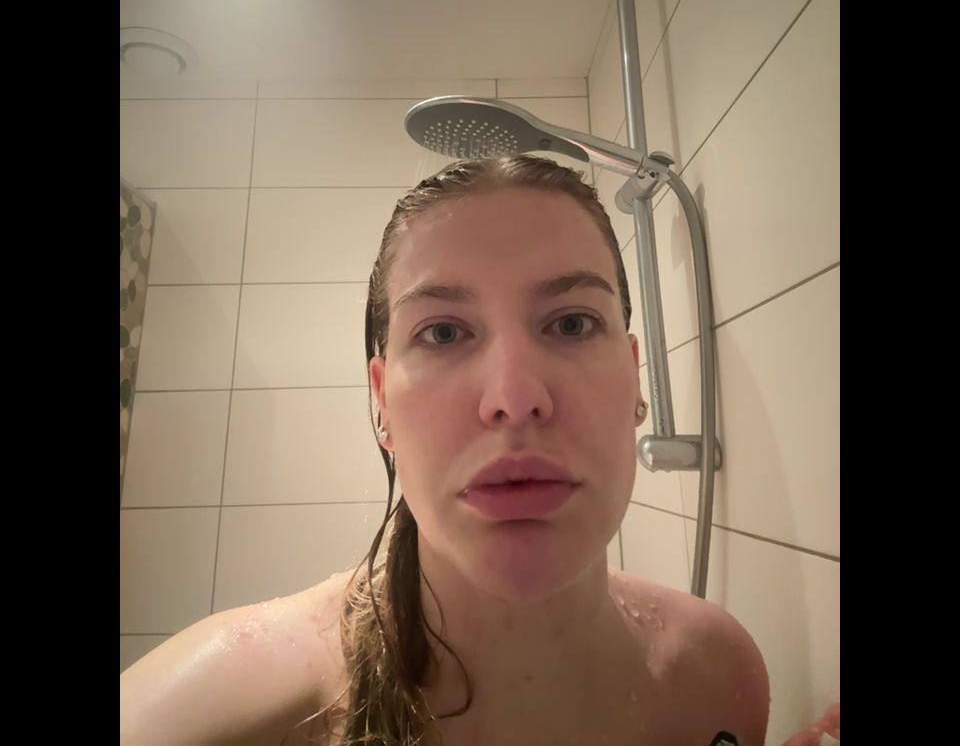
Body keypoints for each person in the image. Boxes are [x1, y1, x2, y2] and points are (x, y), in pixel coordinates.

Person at [120, 155, 774, 746]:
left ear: (635, 378)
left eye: (572, 323)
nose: (514, 398)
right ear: (382, 402)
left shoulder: (717, 678)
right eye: (442, 333)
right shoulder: (228, 712)